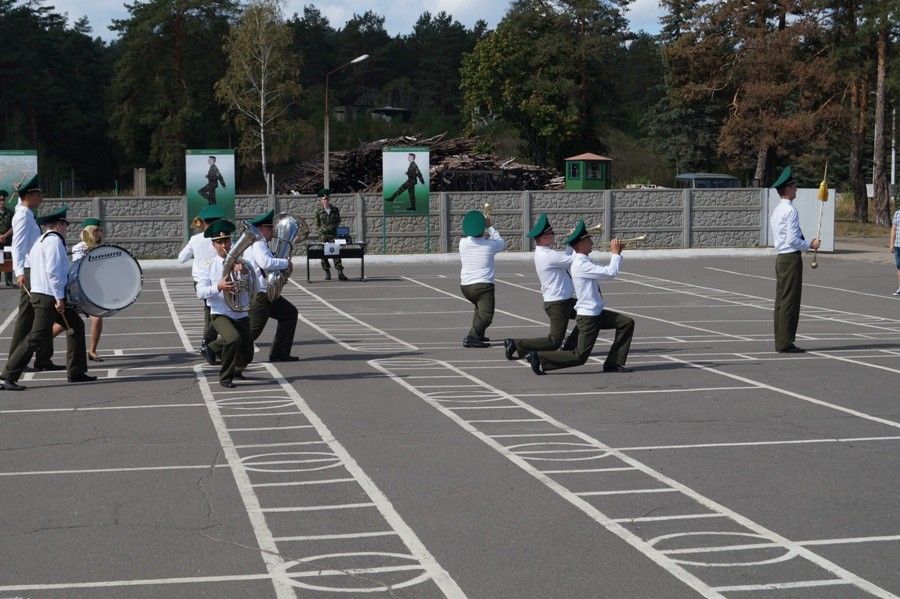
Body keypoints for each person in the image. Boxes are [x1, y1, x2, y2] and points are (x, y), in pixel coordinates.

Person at [0, 207, 96, 390]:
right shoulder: (53, 242)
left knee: (76, 325)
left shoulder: (40, 241)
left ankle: (76, 372)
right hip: (48, 296)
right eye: (64, 225)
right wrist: (60, 299)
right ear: (58, 225)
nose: (66, 228)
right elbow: (54, 272)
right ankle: (8, 375)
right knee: (36, 336)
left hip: (46, 294)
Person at [524, 220, 634, 375]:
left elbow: (601, 268)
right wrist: (615, 254)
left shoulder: (584, 260)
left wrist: (617, 253)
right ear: (581, 245)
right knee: (580, 357)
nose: (592, 243)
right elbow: (610, 272)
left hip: (594, 313)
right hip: (589, 317)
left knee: (627, 323)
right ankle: (539, 357)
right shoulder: (581, 264)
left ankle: (613, 363)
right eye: (588, 240)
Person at [7, 174, 64, 371]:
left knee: (45, 314)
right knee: (27, 316)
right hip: (30, 270)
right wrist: (19, 271)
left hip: (36, 268)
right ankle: (16, 360)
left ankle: (43, 358)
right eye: (38, 194)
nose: (41, 198)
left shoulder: (26, 213)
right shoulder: (22, 216)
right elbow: (18, 246)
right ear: (29, 195)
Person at [504, 214, 579, 360]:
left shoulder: (546, 253)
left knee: (590, 316)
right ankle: (516, 344)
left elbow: (567, 259)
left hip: (564, 301)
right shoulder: (548, 255)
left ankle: (570, 346)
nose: (554, 235)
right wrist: (576, 239)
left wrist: (571, 243)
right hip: (558, 304)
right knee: (554, 341)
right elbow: (575, 260)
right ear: (544, 237)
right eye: (551, 233)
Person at [195, 220, 253, 388]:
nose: (224, 246)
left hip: (240, 312)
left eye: (226, 241)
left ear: (231, 242)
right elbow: (201, 292)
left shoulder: (241, 263)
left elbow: (252, 285)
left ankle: (213, 349)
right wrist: (218, 287)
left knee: (248, 354)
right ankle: (225, 378)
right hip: (220, 312)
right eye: (219, 242)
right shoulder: (207, 266)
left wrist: (244, 272)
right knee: (233, 339)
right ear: (213, 245)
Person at [769, 166, 820, 353]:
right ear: (787, 188)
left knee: (782, 301)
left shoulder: (777, 211)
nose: (796, 189)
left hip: (782, 257)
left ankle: (781, 339)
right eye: (794, 186)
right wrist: (810, 245)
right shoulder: (790, 211)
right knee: (790, 301)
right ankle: (785, 342)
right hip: (790, 258)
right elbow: (792, 239)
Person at [244, 209, 299, 362]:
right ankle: (216, 348)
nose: (273, 231)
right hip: (261, 294)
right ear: (262, 229)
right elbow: (266, 263)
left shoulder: (260, 244)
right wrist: (285, 262)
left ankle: (279, 353)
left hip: (267, 292)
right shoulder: (258, 244)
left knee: (289, 313)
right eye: (270, 228)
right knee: (252, 330)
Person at [178, 205, 224, 363]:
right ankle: (208, 346)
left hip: (200, 281)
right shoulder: (221, 239)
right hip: (218, 280)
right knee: (215, 315)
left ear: (203, 223)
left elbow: (181, 258)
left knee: (212, 314)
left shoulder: (195, 239)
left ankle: (210, 347)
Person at [459, 209, 505, 348]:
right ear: (482, 229)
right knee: (486, 315)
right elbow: (501, 242)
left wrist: (482, 225)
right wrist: (489, 226)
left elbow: (473, 236)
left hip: (466, 287)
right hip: (483, 286)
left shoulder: (463, 243)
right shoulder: (489, 245)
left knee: (479, 310)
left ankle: (479, 335)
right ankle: (472, 337)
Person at [71, 218, 105, 361]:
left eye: (100, 230)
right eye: (97, 230)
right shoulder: (79, 247)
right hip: (78, 291)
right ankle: (38, 346)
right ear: (90, 231)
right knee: (62, 324)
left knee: (97, 318)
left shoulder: (100, 248)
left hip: (92, 290)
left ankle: (92, 351)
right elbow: (78, 268)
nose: (100, 233)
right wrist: (88, 253)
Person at [314, 188, 347, 281]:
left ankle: (340, 272)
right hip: (323, 236)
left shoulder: (335, 210)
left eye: (327, 199)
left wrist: (334, 229)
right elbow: (317, 224)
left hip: (333, 235)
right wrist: (322, 231)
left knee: (336, 253)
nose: (326, 201)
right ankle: (327, 272)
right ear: (321, 201)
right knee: (323, 254)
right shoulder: (318, 211)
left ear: (329, 199)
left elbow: (338, 221)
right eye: (324, 199)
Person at [0, 190, 14, 286]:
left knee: (8, 260)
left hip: (7, 240)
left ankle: (9, 281)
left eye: (3, 200)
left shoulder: (10, 213)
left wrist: (5, 236)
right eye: (0, 200)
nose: (1, 202)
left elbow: (14, 226)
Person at [890, 200, 900, 296]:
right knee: (899, 266)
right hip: (898, 244)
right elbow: (893, 228)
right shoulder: (897, 213)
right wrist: (891, 244)